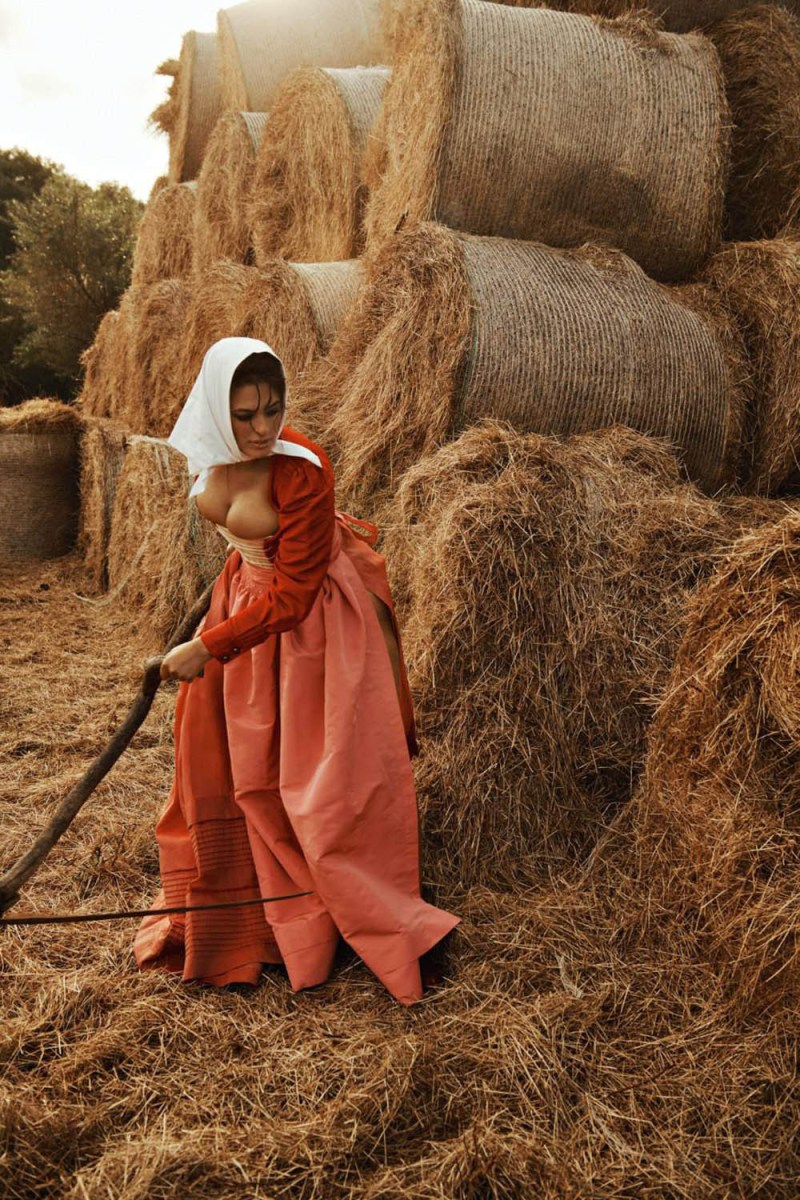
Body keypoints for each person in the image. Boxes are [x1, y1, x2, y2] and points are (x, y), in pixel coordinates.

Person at [133, 336, 460, 1004]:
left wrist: (209, 645)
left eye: (273, 410)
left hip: (311, 628)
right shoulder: (210, 452)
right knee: (224, 767)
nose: (262, 428)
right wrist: (224, 611)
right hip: (243, 608)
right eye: (245, 414)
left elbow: (295, 596)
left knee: (309, 779)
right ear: (217, 410)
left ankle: (334, 919)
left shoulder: (303, 469)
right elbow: (243, 545)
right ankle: (248, 922)